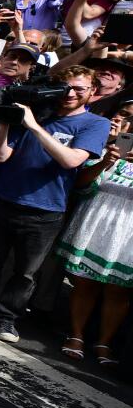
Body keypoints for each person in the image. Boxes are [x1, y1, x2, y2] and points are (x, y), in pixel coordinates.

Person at [0, 66, 109, 343]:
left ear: (92, 92)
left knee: (25, 272)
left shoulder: (94, 124)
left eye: (79, 89)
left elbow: (71, 160)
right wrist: (5, 125)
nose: (71, 94)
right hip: (4, 198)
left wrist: (33, 125)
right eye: (66, 87)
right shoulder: (40, 110)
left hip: (46, 209)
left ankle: (7, 319)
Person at [56, 104, 133, 365]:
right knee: (85, 282)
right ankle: (76, 334)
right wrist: (106, 162)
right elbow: (80, 184)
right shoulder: (104, 147)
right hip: (97, 220)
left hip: (129, 230)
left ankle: (105, 341)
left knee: (118, 290)